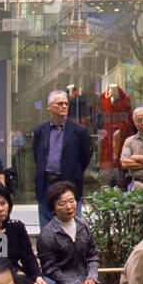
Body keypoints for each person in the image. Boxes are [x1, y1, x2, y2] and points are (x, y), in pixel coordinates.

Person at [33, 90, 93, 226]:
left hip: (69, 184)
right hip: (46, 184)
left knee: (70, 225)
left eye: (66, 104)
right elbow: (38, 157)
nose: (64, 106)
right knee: (47, 226)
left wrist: (72, 172)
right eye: (59, 104)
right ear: (49, 107)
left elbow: (84, 158)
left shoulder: (79, 131)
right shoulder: (40, 131)